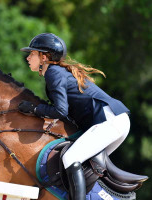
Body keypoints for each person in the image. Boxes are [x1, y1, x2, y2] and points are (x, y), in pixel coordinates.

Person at [18, 33, 130, 200]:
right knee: (85, 165)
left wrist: (34, 109)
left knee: (71, 158)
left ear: (44, 56)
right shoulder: (57, 72)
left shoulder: (53, 72)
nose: (27, 58)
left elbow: (60, 111)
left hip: (109, 121)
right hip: (116, 121)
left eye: (32, 53)